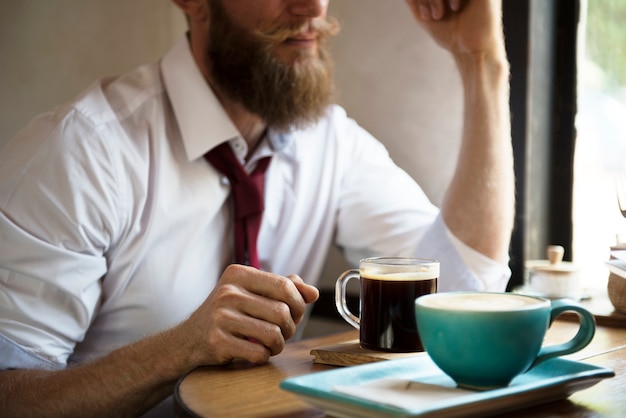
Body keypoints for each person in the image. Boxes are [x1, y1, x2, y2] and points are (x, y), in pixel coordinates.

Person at [0, 0, 514, 416]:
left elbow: (465, 292)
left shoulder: (330, 141)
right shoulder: (81, 153)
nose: (312, 7)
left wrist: (482, 59)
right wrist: (178, 350)